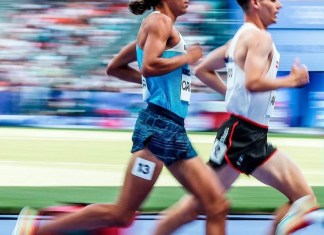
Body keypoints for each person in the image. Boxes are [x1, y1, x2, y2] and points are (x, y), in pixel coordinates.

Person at [12, 0, 229, 235]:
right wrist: (187, 58)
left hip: (172, 130)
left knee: (215, 205)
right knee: (122, 214)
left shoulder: (159, 27)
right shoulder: (159, 21)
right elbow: (149, 66)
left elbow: (115, 67)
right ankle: (36, 231)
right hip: (158, 130)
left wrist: (152, 81)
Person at [152, 0, 320, 235]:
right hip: (243, 136)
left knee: (301, 198)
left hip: (245, 133)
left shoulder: (240, 37)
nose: (279, 5)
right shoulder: (260, 38)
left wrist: (232, 94)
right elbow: (252, 82)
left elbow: (202, 70)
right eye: (273, 0)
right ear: (256, 3)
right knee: (302, 199)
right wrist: (291, 81)